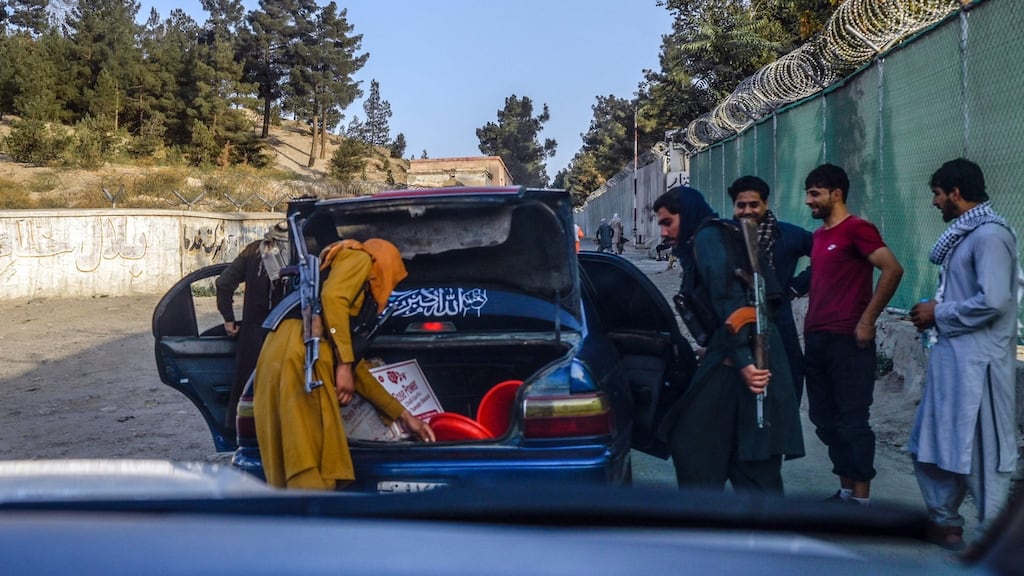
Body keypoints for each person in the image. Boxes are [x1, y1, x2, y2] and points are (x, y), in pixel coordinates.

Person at [653, 186, 804, 493]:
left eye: (667, 222)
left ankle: (714, 523)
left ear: (687, 214)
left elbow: (731, 302)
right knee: (749, 448)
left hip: (746, 351)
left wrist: (745, 362)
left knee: (696, 439)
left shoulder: (708, 239)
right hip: (739, 348)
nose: (664, 232)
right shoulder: (710, 237)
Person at [253, 238, 435, 490]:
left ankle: (304, 520)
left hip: (286, 353)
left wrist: (404, 416)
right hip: (300, 355)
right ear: (386, 264)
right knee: (309, 455)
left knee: (298, 453)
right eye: (392, 277)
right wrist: (344, 367)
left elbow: (357, 369)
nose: (389, 286)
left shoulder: (341, 325)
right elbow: (333, 296)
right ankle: (314, 522)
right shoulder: (362, 258)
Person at [908, 158, 1019, 551]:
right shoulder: (964, 236)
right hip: (952, 360)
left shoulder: (990, 236)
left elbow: (995, 300)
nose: (935, 203)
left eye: (937, 194)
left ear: (955, 192)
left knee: (984, 454)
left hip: (981, 366)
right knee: (931, 445)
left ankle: (995, 536)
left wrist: (938, 312)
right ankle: (945, 522)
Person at [802, 163, 903, 505]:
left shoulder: (858, 229)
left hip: (849, 341)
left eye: (815, 194)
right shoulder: (819, 237)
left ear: (836, 194)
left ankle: (861, 502)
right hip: (817, 340)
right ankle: (846, 491)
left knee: (852, 421)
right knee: (824, 420)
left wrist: (867, 320)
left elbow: (892, 268)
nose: (808, 201)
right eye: (808, 194)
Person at [728, 176, 813, 402]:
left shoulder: (788, 235)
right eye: (741, 205)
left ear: (765, 204)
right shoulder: (725, 238)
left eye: (754, 204)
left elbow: (824, 256)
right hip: (738, 321)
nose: (747, 211)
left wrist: (798, 285)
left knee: (790, 376)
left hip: (779, 320)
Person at [215, 220, 291, 431]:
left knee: (248, 392)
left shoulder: (253, 251)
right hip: (290, 335)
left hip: (254, 337)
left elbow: (223, 283)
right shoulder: (304, 254)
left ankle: (242, 437)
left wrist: (229, 319)